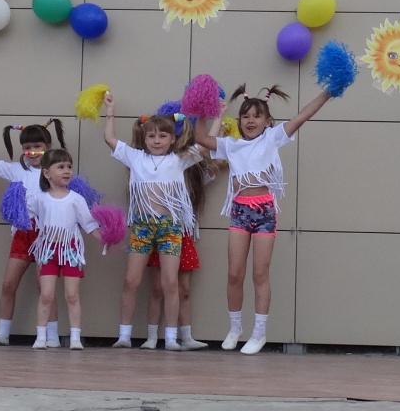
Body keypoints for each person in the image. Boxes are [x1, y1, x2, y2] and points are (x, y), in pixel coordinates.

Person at [195, 84, 331, 355]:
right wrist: (201, 109)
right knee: (234, 273)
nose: (251, 120)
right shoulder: (231, 146)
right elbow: (201, 138)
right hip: (239, 211)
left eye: (257, 116)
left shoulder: (272, 139)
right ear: (239, 121)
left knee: (260, 273)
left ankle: (259, 333)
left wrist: (327, 93)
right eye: (245, 116)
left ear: (268, 122)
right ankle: (235, 328)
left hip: (264, 211)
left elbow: (302, 116)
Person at [104, 92, 203, 350]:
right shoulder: (136, 157)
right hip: (142, 225)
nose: (156, 140)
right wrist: (110, 111)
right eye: (151, 136)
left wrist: (212, 116)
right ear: (144, 138)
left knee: (170, 282)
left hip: (170, 227)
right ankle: (124, 336)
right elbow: (110, 139)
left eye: (162, 136)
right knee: (131, 280)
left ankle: (170, 337)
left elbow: (204, 146)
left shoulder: (178, 159)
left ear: (172, 139)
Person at [0, 119, 68, 346]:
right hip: (23, 232)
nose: (32, 152)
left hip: (47, 234)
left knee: (45, 287)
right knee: (8, 284)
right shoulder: (16, 169)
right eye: (27, 147)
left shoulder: (56, 171)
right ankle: (3, 333)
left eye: (38, 146)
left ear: (48, 146)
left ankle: (52, 336)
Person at [25, 149, 103, 350]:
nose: (67, 170)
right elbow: (23, 215)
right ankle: (41, 337)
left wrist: (105, 239)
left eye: (69, 166)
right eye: (60, 167)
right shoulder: (39, 198)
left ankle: (75, 337)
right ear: (47, 173)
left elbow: (89, 224)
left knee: (72, 295)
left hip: (71, 251)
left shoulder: (76, 199)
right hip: (48, 251)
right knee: (46, 295)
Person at [140, 158, 216, 351]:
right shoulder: (155, 172)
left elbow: (213, 167)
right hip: (160, 233)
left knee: (184, 289)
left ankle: (186, 337)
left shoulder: (192, 176)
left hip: (182, 235)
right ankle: (151, 337)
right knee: (157, 288)